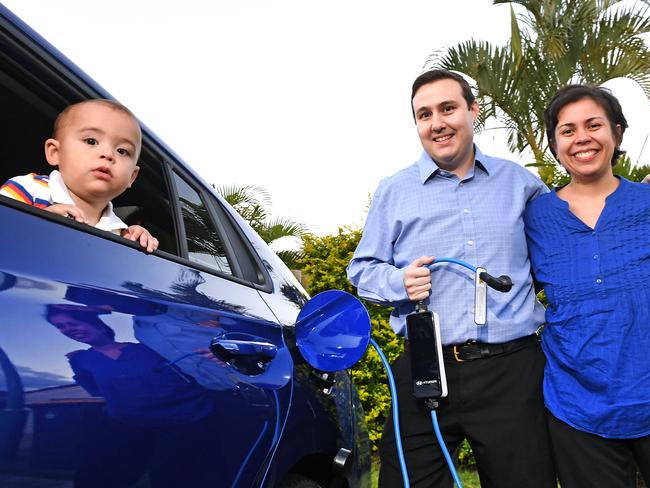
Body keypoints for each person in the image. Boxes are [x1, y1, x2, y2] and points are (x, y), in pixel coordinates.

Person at [347, 68, 555, 487]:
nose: (437, 123)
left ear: (472, 111)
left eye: (447, 108)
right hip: (425, 368)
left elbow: (558, 257)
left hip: (512, 371)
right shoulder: (394, 190)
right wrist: (397, 283)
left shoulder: (520, 184)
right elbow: (361, 270)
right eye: (424, 115)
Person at [524, 85, 650, 488]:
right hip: (576, 407)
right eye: (567, 130)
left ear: (616, 132)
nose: (582, 138)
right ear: (555, 144)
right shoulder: (534, 218)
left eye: (594, 125)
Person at [0, 99, 158, 252]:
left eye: (122, 151)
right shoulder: (29, 189)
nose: (108, 154)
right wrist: (38, 223)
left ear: (132, 176)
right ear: (55, 153)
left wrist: (138, 246)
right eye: (91, 141)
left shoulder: (119, 232)